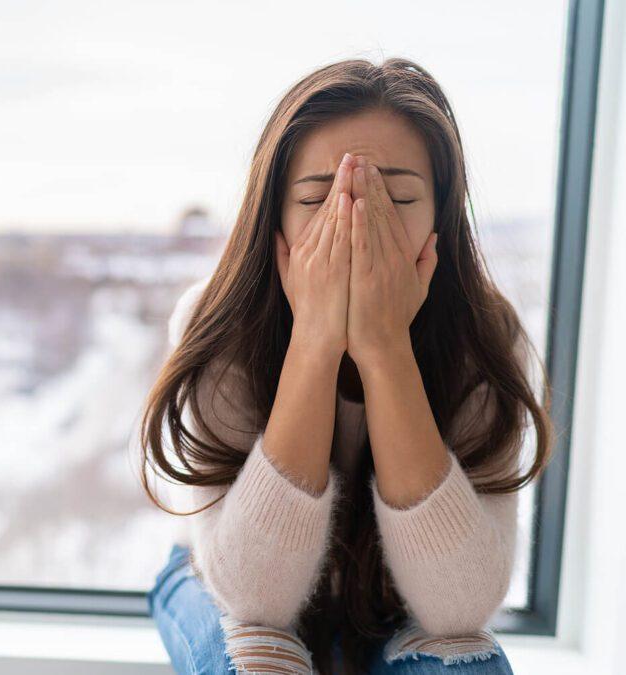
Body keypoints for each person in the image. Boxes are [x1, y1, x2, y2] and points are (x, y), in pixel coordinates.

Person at [137, 56, 555, 675]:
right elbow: (256, 598)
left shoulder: (486, 334)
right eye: (316, 199)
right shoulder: (216, 319)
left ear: (442, 213)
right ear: (271, 216)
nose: (357, 221)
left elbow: (458, 609)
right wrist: (316, 338)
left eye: (399, 197)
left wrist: (386, 349)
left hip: (395, 600)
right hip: (218, 572)